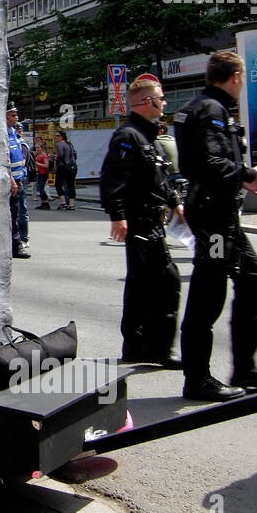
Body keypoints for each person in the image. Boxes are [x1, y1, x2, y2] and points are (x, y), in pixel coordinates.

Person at [174, 50, 257, 402]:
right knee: (208, 295)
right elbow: (208, 162)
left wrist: (246, 180)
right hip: (214, 221)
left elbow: (209, 163)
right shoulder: (211, 109)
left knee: (253, 283)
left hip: (219, 216)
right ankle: (198, 379)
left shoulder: (202, 106)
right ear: (235, 77)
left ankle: (245, 368)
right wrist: (250, 174)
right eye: (243, 77)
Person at [100, 77, 184, 367]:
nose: (164, 103)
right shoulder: (129, 136)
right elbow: (113, 178)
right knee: (158, 283)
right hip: (140, 222)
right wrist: (118, 215)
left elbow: (158, 177)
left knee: (147, 285)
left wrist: (175, 202)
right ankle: (152, 348)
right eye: (161, 99)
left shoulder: (148, 136)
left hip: (153, 222)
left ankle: (145, 347)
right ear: (147, 103)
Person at [6, 106, 30, 258]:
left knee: (15, 214)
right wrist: (10, 179)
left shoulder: (13, 133)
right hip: (6, 183)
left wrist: (19, 179)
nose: (16, 118)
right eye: (13, 115)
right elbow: (2, 158)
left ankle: (16, 246)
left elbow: (18, 159)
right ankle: (14, 246)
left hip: (15, 182)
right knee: (9, 215)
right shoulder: (1, 134)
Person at [54, 130, 78, 209]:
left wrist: (55, 158)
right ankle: (71, 204)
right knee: (71, 185)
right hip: (73, 167)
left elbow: (61, 155)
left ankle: (63, 202)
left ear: (61, 136)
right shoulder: (69, 144)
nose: (56, 137)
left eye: (57, 135)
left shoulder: (59, 144)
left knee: (58, 184)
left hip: (63, 167)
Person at [34, 140, 51, 209]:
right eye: (36, 147)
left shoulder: (44, 155)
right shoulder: (38, 155)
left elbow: (46, 165)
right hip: (39, 173)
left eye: (38, 147)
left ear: (42, 148)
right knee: (39, 188)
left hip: (44, 173)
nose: (37, 149)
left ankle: (46, 202)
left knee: (41, 188)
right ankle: (43, 203)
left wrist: (37, 164)